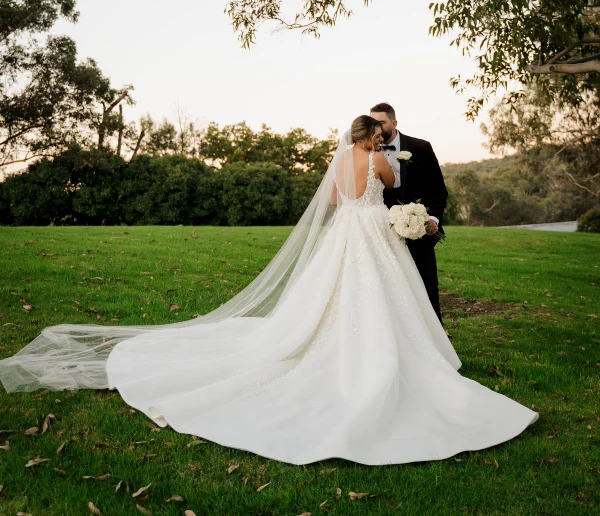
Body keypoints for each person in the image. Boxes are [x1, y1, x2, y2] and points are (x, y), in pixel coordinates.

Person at [0, 115, 538, 466]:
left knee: (334, 294)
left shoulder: (338, 163)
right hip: (374, 232)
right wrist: (390, 176)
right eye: (376, 134)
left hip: (347, 233)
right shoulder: (379, 161)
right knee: (382, 295)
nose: (379, 140)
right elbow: (392, 190)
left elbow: (332, 205)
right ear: (369, 136)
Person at [370, 102, 447, 324]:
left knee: (427, 284)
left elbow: (438, 191)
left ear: (394, 123)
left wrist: (431, 219)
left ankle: (438, 333)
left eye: (381, 122)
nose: (376, 126)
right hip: (379, 229)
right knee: (387, 286)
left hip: (417, 228)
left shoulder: (421, 148)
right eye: (373, 122)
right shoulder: (366, 152)